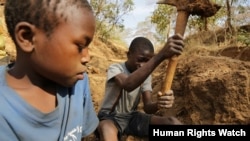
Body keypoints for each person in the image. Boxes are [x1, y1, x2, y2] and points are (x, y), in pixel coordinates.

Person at [0, 0, 98, 141]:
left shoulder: (78, 83)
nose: (86, 58)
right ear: (27, 37)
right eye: (80, 46)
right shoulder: (4, 114)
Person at [97, 35, 184, 141]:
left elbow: (147, 107)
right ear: (129, 55)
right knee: (107, 129)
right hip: (110, 117)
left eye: (147, 61)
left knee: (172, 122)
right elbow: (128, 84)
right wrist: (161, 55)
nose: (143, 65)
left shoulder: (146, 76)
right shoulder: (116, 68)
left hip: (131, 118)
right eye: (141, 60)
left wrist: (159, 104)